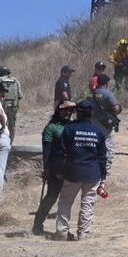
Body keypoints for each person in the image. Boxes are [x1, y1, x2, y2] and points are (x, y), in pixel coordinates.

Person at [52, 100, 107, 240]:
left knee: (65, 202)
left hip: (72, 172)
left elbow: (62, 152)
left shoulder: (70, 129)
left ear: (77, 113)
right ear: (92, 113)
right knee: (88, 204)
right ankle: (84, 234)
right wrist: (103, 176)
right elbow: (102, 156)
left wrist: (59, 170)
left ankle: (62, 233)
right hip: (92, 174)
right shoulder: (98, 132)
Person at [33, 100, 76, 235]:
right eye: (65, 110)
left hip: (70, 167)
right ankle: (37, 224)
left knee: (66, 199)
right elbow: (47, 151)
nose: (68, 113)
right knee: (51, 197)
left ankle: (63, 229)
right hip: (55, 168)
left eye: (70, 110)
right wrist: (46, 169)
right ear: (58, 110)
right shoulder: (51, 128)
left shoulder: (73, 126)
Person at [91, 74, 122, 176]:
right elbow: (116, 108)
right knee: (108, 145)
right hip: (106, 124)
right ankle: (105, 170)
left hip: (94, 122)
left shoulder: (93, 93)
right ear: (106, 83)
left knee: (95, 144)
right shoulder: (108, 94)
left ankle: (95, 166)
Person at [0, 66, 23, 142]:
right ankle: (10, 140)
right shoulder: (15, 80)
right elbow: (20, 95)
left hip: (2, 106)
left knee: (1, 123)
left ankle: (2, 140)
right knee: (11, 125)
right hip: (13, 107)